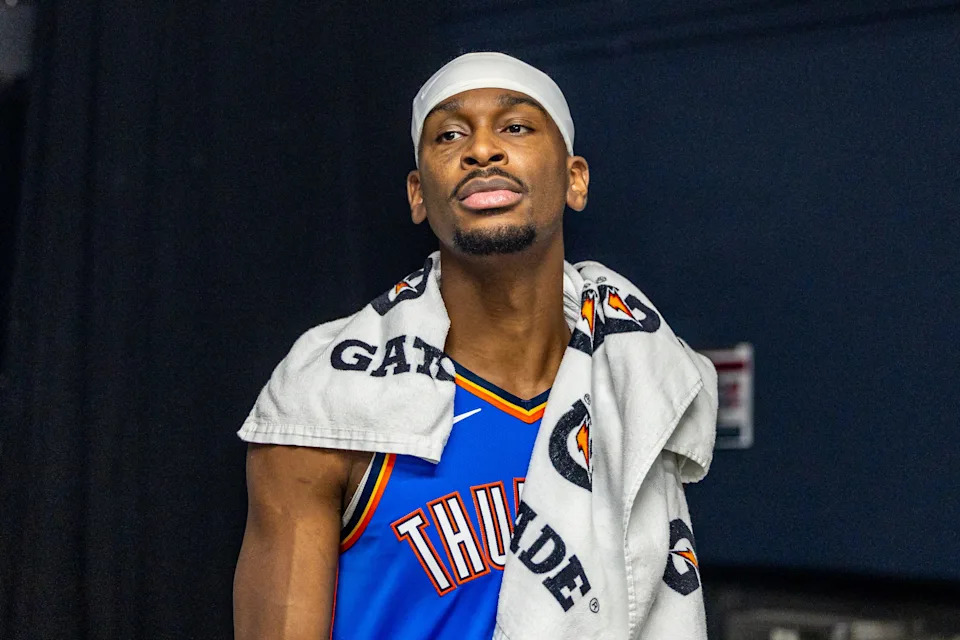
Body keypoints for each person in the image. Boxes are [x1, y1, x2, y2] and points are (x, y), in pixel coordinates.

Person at [234, 52, 715, 640]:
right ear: (418, 194)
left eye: (515, 127)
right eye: (450, 135)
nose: (482, 150)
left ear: (575, 179)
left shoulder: (633, 390)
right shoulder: (324, 407)